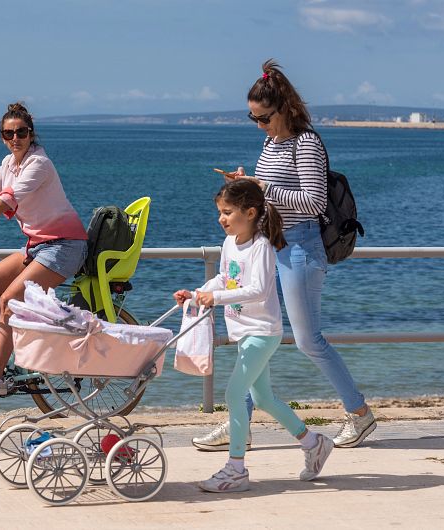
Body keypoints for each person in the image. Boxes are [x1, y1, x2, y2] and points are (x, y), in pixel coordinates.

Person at [193, 59, 376, 452]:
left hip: (300, 248)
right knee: (252, 335)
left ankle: (359, 414)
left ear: (284, 108)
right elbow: (269, 193)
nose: (258, 125)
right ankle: (237, 421)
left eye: (263, 118)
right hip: (270, 244)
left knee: (308, 340)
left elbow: (312, 202)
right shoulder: (271, 142)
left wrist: (265, 188)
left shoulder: (305, 143)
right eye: (252, 118)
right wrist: (247, 185)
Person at [175, 179, 333, 493]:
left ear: (250, 212)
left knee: (234, 395)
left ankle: (236, 468)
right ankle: (313, 442)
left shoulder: (262, 245)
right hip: (243, 332)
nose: (222, 218)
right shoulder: (230, 244)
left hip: (262, 332)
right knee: (262, 398)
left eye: (227, 212)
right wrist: (198, 294)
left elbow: (260, 290)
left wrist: (215, 300)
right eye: (220, 212)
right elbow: (225, 278)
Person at [0, 102, 88, 397]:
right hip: (38, 245)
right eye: (9, 133)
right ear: (2, 136)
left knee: (9, 299)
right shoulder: (8, 164)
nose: (15, 138)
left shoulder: (39, 164)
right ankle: (24, 348)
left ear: (31, 134)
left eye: (21, 132)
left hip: (64, 246)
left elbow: (7, 201)